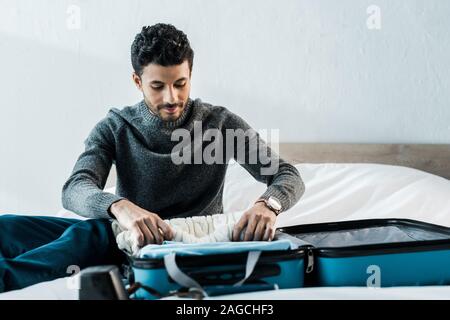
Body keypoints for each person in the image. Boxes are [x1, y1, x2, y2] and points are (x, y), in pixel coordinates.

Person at [0, 23, 304, 293]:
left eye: (180, 84)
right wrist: (120, 207)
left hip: (170, 246)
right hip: (124, 231)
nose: (171, 97)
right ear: (137, 81)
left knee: (89, 234)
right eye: (158, 86)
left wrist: (269, 204)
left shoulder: (219, 124)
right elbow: (75, 188)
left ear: (190, 75)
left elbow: (286, 174)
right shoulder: (116, 127)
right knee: (8, 228)